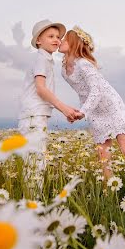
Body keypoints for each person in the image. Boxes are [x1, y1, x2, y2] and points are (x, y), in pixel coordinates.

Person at [59, 25, 125, 178]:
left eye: (65, 39)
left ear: (73, 43)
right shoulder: (64, 68)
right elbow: (83, 92)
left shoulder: (83, 64)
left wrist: (82, 112)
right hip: (93, 110)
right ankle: (109, 190)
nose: (60, 41)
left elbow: (97, 90)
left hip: (110, 105)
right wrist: (80, 111)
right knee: (102, 152)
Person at [18, 20, 83, 154]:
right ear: (39, 41)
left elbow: (45, 91)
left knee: (35, 159)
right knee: (35, 160)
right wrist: (64, 109)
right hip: (33, 115)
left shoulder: (45, 60)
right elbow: (41, 89)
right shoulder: (41, 59)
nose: (56, 40)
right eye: (51, 36)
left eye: (58, 37)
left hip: (35, 114)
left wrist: (67, 108)